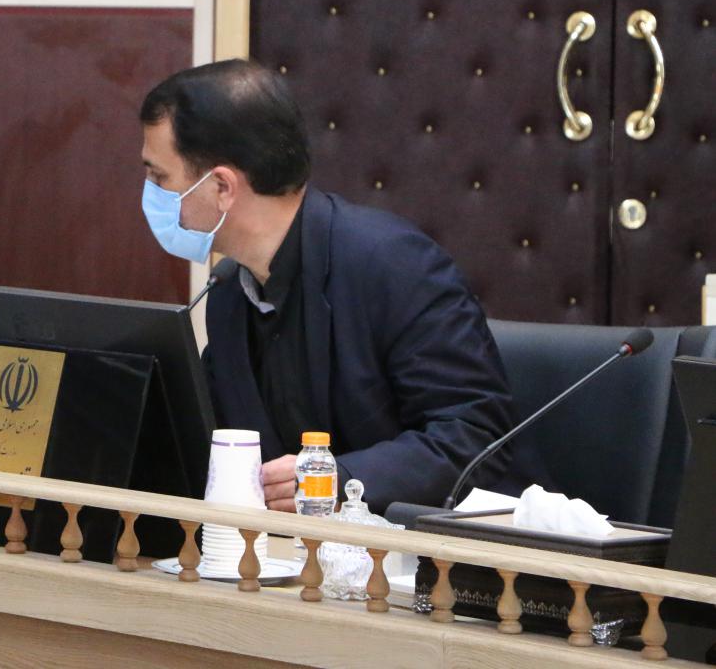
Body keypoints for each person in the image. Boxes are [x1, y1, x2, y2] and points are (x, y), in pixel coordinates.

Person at [138, 59, 539, 513]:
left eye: (159, 177)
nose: (150, 193)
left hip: (435, 547)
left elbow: (476, 440)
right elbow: (207, 439)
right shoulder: (229, 291)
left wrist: (336, 478)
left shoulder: (395, 265)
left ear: (222, 187)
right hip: (296, 549)